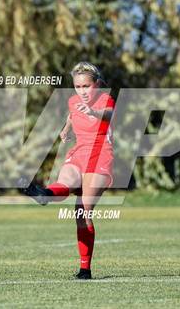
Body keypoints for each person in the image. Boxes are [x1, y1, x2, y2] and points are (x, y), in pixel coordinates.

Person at [20, 62, 115, 279]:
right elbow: (72, 115)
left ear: (97, 84)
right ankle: (44, 195)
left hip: (101, 154)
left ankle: (85, 270)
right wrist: (65, 130)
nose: (82, 91)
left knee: (82, 211)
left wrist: (92, 111)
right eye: (78, 87)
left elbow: (107, 114)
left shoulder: (105, 99)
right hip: (79, 151)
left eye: (86, 86)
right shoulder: (73, 101)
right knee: (65, 183)